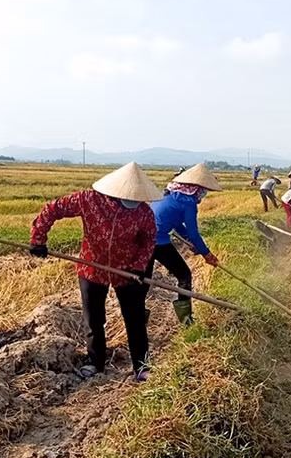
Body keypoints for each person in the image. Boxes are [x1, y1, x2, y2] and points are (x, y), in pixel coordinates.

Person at [30, 162, 160, 382]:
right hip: (92, 268)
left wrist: (138, 267)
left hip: (127, 271)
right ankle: (95, 362)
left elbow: (148, 241)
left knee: (135, 318)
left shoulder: (143, 212)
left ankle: (141, 366)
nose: (133, 201)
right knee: (94, 318)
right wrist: (38, 239)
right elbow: (53, 209)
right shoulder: (89, 200)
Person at [147, 163, 222, 325]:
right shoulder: (188, 202)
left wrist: (188, 239)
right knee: (184, 275)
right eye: (203, 190)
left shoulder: (169, 195)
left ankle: (137, 321)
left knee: (143, 281)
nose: (204, 194)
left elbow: (176, 224)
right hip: (157, 242)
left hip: (142, 241)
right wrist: (206, 254)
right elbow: (194, 233)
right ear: (196, 188)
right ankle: (186, 320)